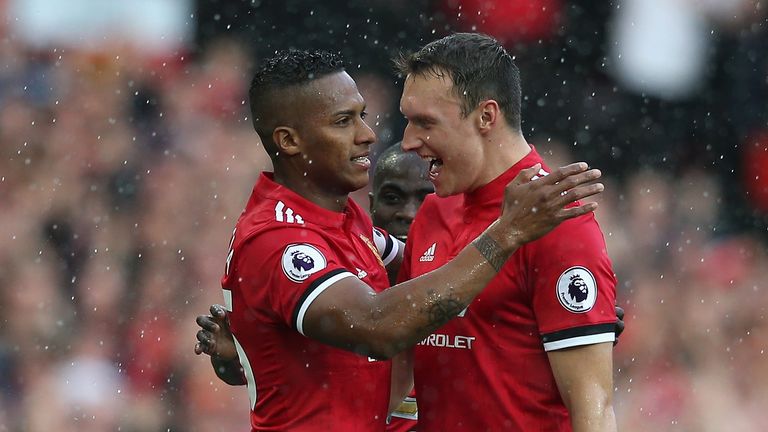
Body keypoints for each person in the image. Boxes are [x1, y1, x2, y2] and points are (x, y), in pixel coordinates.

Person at [196, 48, 604, 431]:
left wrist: (559, 299)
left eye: (362, 115)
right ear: (289, 141)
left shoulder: (347, 224)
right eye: (343, 122)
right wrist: (508, 233)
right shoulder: (277, 239)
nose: (369, 135)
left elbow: (432, 267)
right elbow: (379, 325)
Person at [394, 32, 617, 431]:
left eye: (425, 123)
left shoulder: (559, 224)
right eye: (407, 121)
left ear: (485, 116)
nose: (408, 142)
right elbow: (397, 376)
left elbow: (593, 410)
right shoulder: (431, 212)